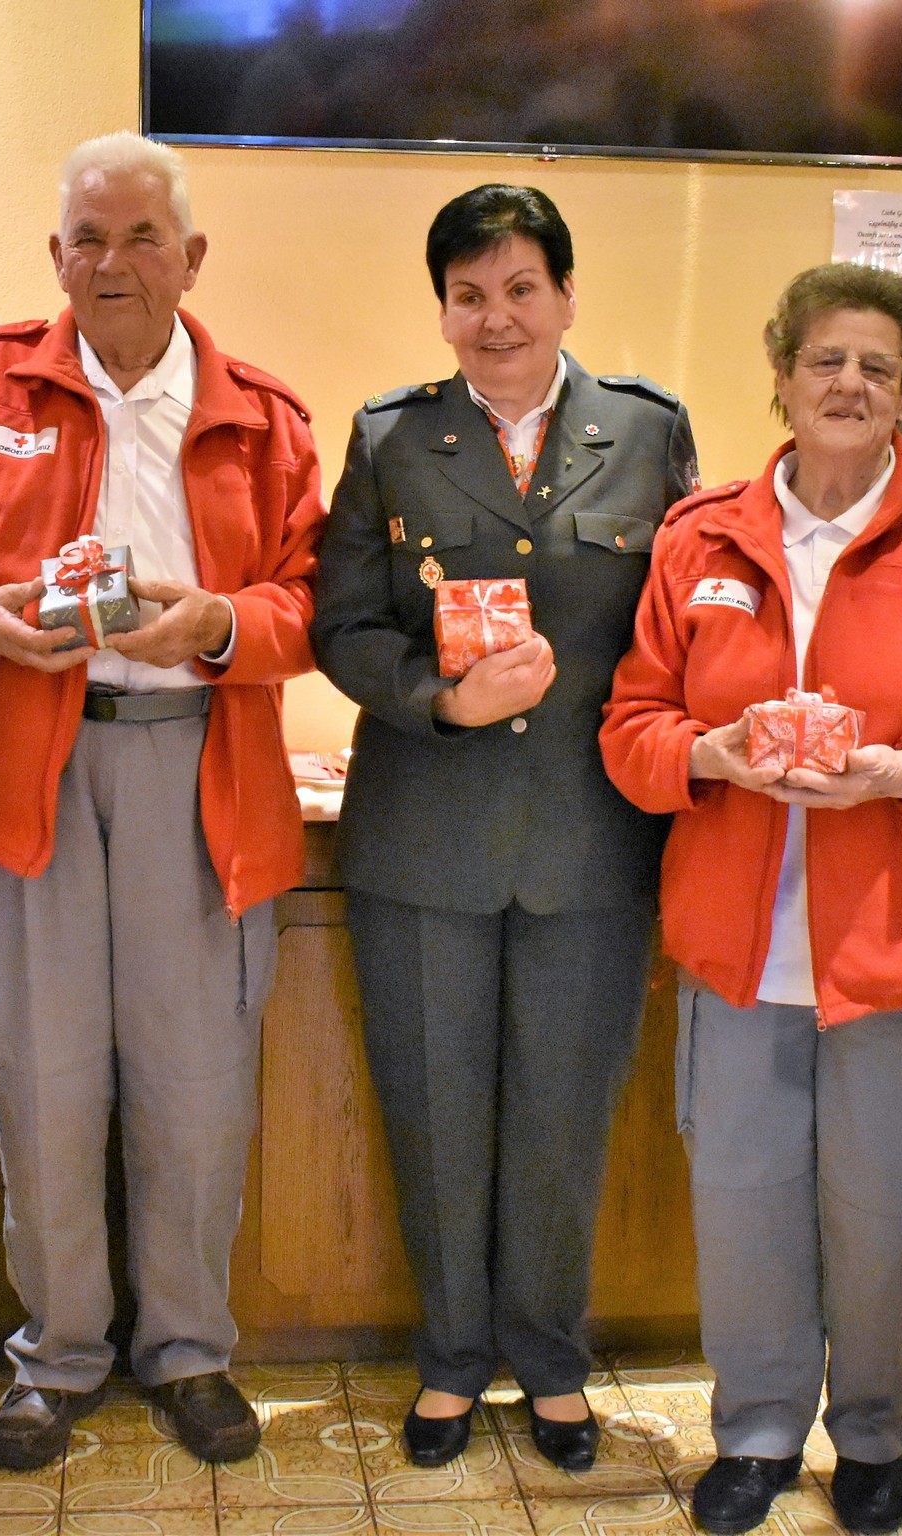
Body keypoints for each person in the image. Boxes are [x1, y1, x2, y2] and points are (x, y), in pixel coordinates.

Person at [0, 131, 324, 1471]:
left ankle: (191, 1352)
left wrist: (218, 623)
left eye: (143, 237)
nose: (112, 263)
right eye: (87, 238)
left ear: (191, 259)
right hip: (30, 768)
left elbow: (311, 603)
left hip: (198, 771)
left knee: (196, 1090)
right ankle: (59, 1357)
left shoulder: (264, 413)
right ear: (55, 257)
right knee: (39, 1083)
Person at [599, 261, 902, 1534]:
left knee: (892, 1218)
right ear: (780, 373)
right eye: (826, 360)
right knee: (742, 1212)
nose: (850, 384)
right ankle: (758, 1433)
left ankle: (877, 1432)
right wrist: (704, 755)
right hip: (735, 953)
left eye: (879, 366)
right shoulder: (704, 534)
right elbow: (632, 724)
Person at [310, 184, 698, 1475]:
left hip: (590, 844)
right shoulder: (390, 440)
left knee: (561, 1120)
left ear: (567, 296)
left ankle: (549, 1360)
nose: (496, 317)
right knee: (431, 1112)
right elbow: (345, 626)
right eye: (469, 295)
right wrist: (439, 697)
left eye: (521, 288)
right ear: (443, 309)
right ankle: (451, 1360)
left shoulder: (648, 436)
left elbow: (681, 630)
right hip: (425, 836)